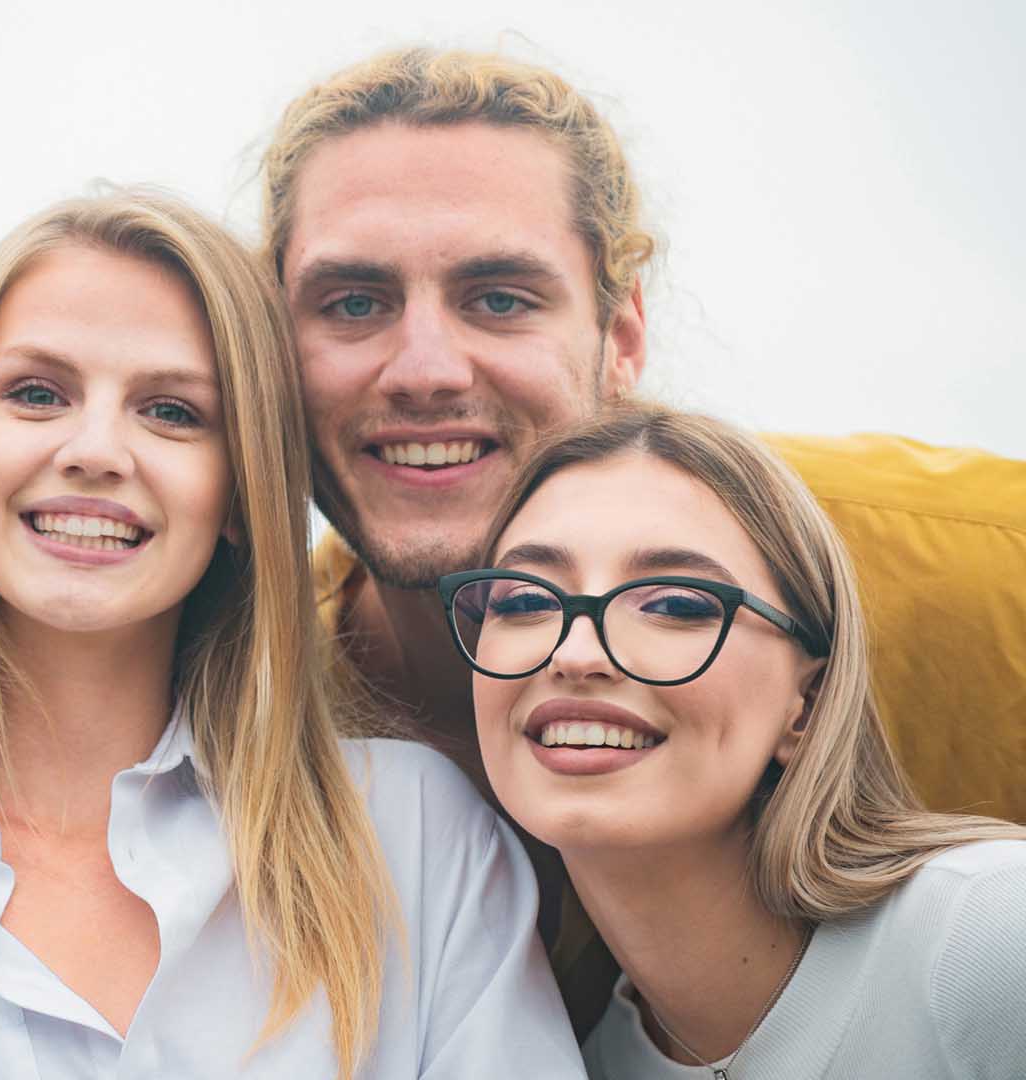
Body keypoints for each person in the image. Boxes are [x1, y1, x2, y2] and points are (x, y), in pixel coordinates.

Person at [0, 188, 580, 1078]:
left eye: (172, 412)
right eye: (37, 394)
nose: (95, 451)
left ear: (239, 493)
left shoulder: (416, 834)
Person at [258, 45, 1026, 1034]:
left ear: (620, 338)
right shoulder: (223, 712)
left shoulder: (973, 570)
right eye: (354, 304)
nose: (425, 371)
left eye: (500, 298)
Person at [446, 402, 1026, 1076]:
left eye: (676, 605)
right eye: (524, 601)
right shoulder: (570, 1060)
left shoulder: (991, 935)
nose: (575, 654)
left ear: (808, 702)